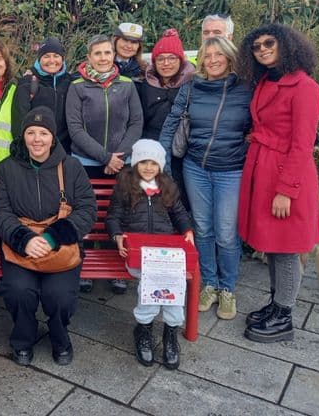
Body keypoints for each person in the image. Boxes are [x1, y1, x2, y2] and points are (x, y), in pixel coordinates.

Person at [237, 24, 319, 343]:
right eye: (256, 46)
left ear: (286, 44)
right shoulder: (266, 81)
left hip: (286, 175)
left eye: (269, 43)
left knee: (286, 248)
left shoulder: (304, 87)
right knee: (272, 244)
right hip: (263, 168)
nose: (262, 49)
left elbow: (302, 144)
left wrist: (286, 190)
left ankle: (284, 316)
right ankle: (276, 304)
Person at [0, 107, 97, 367]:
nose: (37, 139)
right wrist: (25, 239)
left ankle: (60, 336)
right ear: (23, 136)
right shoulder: (7, 168)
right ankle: (23, 338)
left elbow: (87, 208)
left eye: (43, 133)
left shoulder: (71, 167)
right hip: (20, 244)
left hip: (60, 244)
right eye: (30, 132)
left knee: (60, 296)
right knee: (18, 292)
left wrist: (52, 238)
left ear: (53, 137)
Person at [159, 36, 252, 321]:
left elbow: (261, 125)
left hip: (231, 170)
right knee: (202, 227)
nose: (212, 60)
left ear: (229, 56)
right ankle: (209, 283)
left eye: (218, 54)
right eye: (206, 55)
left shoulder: (246, 89)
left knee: (226, 232)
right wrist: (162, 162)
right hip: (195, 167)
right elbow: (170, 125)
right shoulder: (191, 89)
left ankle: (228, 288)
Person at [106, 139, 194, 369]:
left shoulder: (167, 186)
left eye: (153, 163)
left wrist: (187, 230)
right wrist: (117, 235)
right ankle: (144, 328)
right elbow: (113, 217)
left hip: (164, 252)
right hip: (138, 253)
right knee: (153, 278)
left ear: (160, 165)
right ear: (135, 163)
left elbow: (180, 213)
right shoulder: (126, 186)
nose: (148, 167)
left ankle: (170, 331)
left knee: (174, 278)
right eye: (143, 162)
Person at [67, 33, 143, 294]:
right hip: (86, 161)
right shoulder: (77, 86)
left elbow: (136, 123)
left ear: (114, 56)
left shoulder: (127, 84)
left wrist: (118, 156)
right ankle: (83, 262)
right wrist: (104, 157)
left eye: (107, 53)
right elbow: (75, 128)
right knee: (87, 211)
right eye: (97, 53)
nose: (102, 58)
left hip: (122, 161)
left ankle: (117, 265)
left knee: (119, 212)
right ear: (89, 57)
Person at [137, 28, 195, 208]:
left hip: (181, 153)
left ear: (180, 60)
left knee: (180, 203)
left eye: (172, 58)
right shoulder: (144, 85)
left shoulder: (192, 85)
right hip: (150, 154)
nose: (166, 63)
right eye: (160, 59)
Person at [12, 37, 73, 153]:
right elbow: (18, 120)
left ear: (62, 58)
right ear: (39, 59)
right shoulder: (28, 82)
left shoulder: (70, 82)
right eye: (46, 56)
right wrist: (23, 149)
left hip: (64, 150)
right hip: (35, 149)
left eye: (56, 56)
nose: (51, 60)